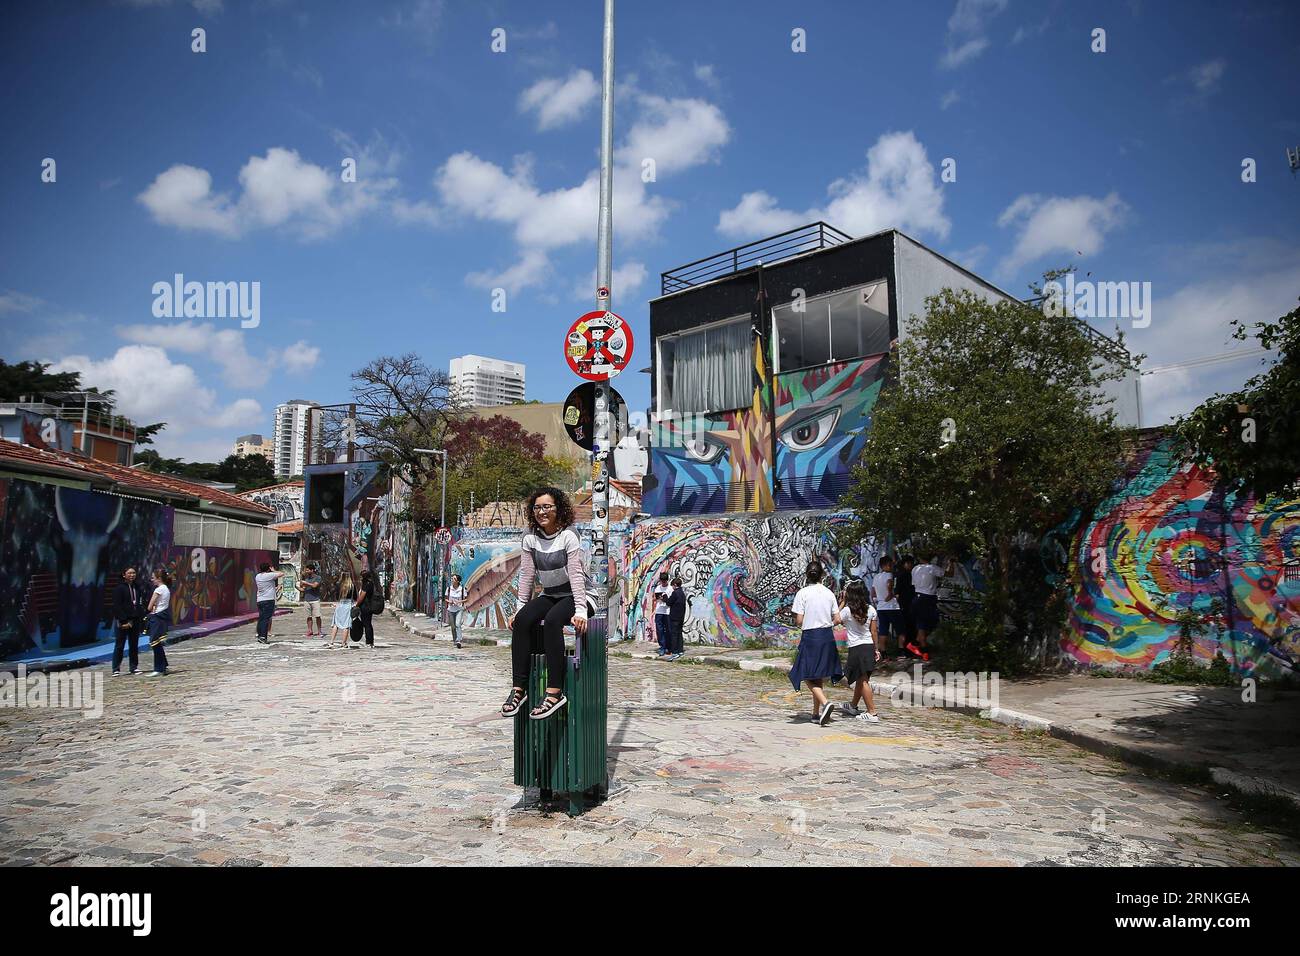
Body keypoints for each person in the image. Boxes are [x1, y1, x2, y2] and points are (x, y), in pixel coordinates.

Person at [501, 487, 587, 722]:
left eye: (547, 506)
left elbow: (576, 575)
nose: (542, 512)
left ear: (558, 508)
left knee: (552, 622)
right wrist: (519, 609)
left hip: (574, 595)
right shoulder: (530, 536)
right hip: (550, 594)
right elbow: (527, 575)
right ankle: (519, 690)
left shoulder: (569, 534)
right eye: (537, 507)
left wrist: (580, 610)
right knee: (522, 621)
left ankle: (555, 692)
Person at [788, 560, 843, 726]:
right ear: (822, 576)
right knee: (817, 674)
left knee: (803, 672)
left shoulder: (802, 593)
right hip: (827, 636)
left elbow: (799, 620)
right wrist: (825, 623)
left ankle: (825, 703)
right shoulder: (829, 593)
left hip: (811, 636)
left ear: (807, 575)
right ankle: (815, 713)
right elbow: (838, 619)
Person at [837, 579, 881, 721]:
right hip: (868, 646)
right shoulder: (871, 609)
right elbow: (874, 632)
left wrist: (842, 602)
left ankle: (872, 712)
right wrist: (877, 649)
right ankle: (853, 706)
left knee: (862, 682)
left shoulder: (847, 610)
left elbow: (834, 620)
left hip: (856, 648)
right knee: (861, 679)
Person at [910, 554, 954, 661]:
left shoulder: (915, 569)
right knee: (926, 624)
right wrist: (951, 563)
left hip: (918, 597)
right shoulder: (932, 568)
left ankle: (916, 643)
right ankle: (924, 651)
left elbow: (914, 584)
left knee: (925, 623)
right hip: (927, 598)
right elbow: (950, 574)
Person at [111, 567, 147, 675]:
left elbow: (139, 603)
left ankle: (133, 667)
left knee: (134, 644)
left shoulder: (137, 587)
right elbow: (117, 606)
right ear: (124, 575)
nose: (132, 575)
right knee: (119, 645)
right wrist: (124, 620)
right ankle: (116, 668)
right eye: (129, 573)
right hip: (124, 621)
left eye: (134, 573)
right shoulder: (119, 588)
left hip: (135, 620)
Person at [143, 568, 174, 677]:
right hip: (162, 616)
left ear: (159, 579)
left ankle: (159, 668)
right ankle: (163, 666)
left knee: (154, 642)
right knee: (157, 643)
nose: (152, 580)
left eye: (153, 578)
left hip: (157, 616)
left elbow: (149, 606)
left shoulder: (159, 589)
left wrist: (150, 609)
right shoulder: (166, 589)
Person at [872, 556, 904, 658]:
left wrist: (877, 600)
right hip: (892, 606)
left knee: (883, 630)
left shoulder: (876, 577)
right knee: (901, 629)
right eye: (889, 565)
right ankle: (901, 650)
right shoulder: (889, 575)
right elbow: (890, 585)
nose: (891, 567)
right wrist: (891, 594)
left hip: (881, 607)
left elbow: (872, 592)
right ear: (884, 566)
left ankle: (883, 652)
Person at [254, 562, 283, 645]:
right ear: (268, 569)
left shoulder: (258, 576)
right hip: (268, 600)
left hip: (260, 600)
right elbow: (281, 573)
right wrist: (273, 571)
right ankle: (263, 636)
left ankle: (260, 635)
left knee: (261, 618)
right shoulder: (268, 575)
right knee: (266, 619)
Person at [895, 555, 917, 658]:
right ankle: (908, 649)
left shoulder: (910, 574)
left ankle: (909, 648)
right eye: (909, 563)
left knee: (910, 627)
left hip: (909, 604)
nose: (910, 565)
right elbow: (897, 592)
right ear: (905, 564)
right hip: (906, 604)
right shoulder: (904, 575)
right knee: (908, 628)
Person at [354, 569, 381, 648]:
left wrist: (357, 605)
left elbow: (362, 596)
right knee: (368, 624)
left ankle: (369, 642)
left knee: (366, 624)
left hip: (365, 606)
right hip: (369, 606)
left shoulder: (366, 584)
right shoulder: (371, 583)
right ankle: (370, 641)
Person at [328, 579, 355, 647]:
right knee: (346, 625)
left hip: (340, 604)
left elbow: (336, 596)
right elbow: (355, 597)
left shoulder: (339, 585)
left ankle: (331, 641)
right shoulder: (352, 586)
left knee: (336, 624)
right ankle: (343, 643)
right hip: (348, 605)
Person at [652, 571, 672, 656]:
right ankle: (662, 647)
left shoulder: (670, 589)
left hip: (667, 611)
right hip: (659, 611)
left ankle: (668, 647)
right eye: (662, 581)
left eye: (665, 581)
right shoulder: (658, 588)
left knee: (668, 630)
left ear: (667, 580)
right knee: (659, 630)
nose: (663, 583)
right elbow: (654, 598)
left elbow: (671, 600)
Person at [666, 575, 687, 660]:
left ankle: (674, 652)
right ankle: (680, 650)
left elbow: (669, 602)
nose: (672, 587)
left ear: (675, 584)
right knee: (679, 634)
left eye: (672, 585)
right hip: (681, 617)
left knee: (674, 634)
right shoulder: (682, 593)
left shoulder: (675, 593)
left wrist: (665, 598)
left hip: (674, 617)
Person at [300, 563, 322, 637]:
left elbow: (315, 585)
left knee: (317, 616)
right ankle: (310, 630)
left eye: (308, 570)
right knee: (308, 616)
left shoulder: (317, 578)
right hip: (307, 599)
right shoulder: (306, 579)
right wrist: (296, 586)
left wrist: (306, 583)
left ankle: (319, 631)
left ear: (312, 570)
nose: (306, 571)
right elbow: (303, 589)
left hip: (315, 599)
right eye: (306, 570)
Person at [446, 573, 466, 649]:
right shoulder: (449, 588)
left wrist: (460, 601)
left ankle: (459, 640)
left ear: (457, 581)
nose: (452, 580)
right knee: (453, 626)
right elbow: (445, 598)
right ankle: (455, 639)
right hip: (451, 609)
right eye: (452, 579)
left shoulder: (462, 589)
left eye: (454, 579)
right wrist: (449, 601)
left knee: (458, 624)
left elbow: (466, 598)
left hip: (459, 609)